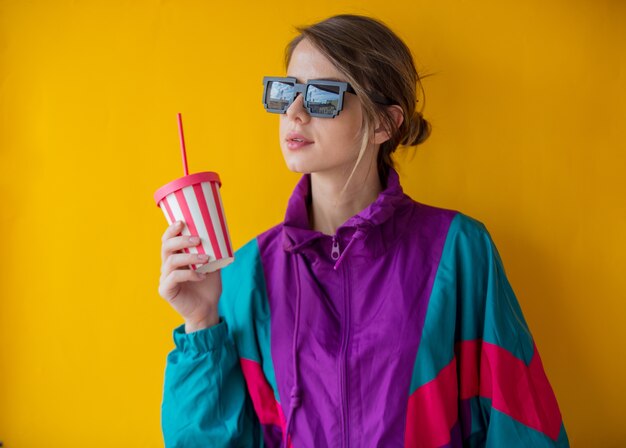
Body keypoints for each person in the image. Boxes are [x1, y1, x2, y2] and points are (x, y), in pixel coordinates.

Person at [158, 14, 569, 448]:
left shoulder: (459, 251)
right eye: (287, 92)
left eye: (321, 97)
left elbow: (521, 422)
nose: (294, 113)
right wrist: (201, 320)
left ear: (384, 124)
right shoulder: (244, 274)